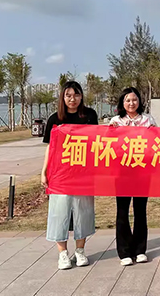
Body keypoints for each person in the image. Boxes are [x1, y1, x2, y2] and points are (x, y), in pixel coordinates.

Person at [41, 81, 98, 270]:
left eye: (76, 95)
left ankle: (80, 251)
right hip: (60, 174)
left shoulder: (90, 115)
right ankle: (63, 254)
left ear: (81, 96)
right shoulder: (55, 119)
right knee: (60, 212)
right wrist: (44, 171)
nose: (72, 99)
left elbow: (97, 141)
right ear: (63, 97)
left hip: (83, 173)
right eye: (68, 95)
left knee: (83, 211)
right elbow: (50, 148)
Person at [109, 87, 157, 266]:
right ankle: (124, 252)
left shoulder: (148, 120)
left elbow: (157, 142)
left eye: (134, 100)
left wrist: (153, 133)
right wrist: (111, 132)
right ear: (122, 103)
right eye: (128, 100)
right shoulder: (115, 121)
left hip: (142, 171)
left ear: (139, 101)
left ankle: (140, 250)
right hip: (121, 172)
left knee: (140, 210)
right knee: (122, 211)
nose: (131, 103)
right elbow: (108, 144)